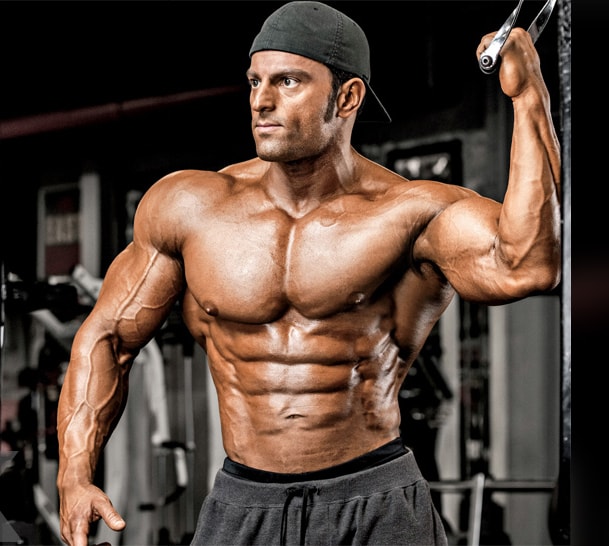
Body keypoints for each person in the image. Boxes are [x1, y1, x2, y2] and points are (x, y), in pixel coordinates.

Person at [56, 1, 561, 545]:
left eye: (288, 81)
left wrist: (529, 94)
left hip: (376, 500)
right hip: (242, 501)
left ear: (347, 97)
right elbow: (109, 337)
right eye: (254, 82)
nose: (261, 101)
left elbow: (527, 265)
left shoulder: (411, 211)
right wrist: (74, 475)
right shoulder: (188, 207)